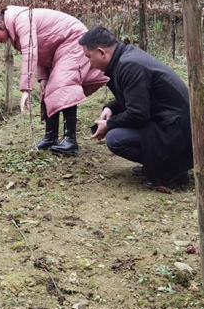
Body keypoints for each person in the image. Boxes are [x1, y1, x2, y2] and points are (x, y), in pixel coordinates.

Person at [0, 7, 108, 155]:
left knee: (63, 84)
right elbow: (41, 52)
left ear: (0, 23)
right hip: (59, 47)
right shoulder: (15, 28)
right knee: (49, 89)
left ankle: (70, 140)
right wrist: (43, 78)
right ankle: (51, 137)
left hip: (72, 39)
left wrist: (26, 89)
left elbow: (31, 51)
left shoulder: (21, 19)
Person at [79, 26, 193, 189]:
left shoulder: (129, 65)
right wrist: (111, 107)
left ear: (102, 52)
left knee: (115, 138)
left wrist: (109, 125)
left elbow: (138, 113)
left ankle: (171, 170)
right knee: (117, 133)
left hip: (179, 133)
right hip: (172, 124)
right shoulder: (127, 58)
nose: (89, 63)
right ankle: (160, 164)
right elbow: (137, 95)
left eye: (89, 57)